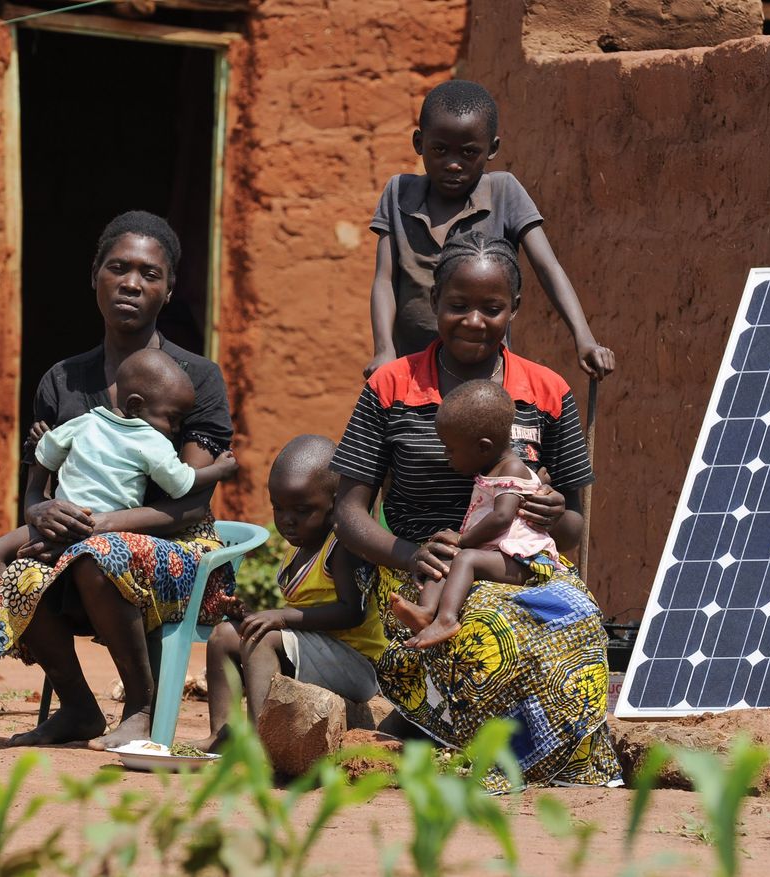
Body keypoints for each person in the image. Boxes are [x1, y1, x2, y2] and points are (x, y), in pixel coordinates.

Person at [333, 229, 621, 791]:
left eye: (491, 308)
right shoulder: (391, 386)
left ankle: (566, 763)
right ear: (433, 304)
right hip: (419, 569)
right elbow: (349, 511)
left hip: (520, 561)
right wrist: (411, 552)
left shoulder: (549, 391)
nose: (473, 321)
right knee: (490, 624)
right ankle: (472, 756)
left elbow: (573, 528)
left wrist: (553, 511)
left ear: (514, 308)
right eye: (457, 306)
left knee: (579, 620)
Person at [0, 210, 236, 751]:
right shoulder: (62, 381)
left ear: (169, 289)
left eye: (150, 274)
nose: (132, 283)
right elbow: (36, 489)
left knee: (96, 558)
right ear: (95, 276)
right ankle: (79, 710)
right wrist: (38, 511)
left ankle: (141, 705)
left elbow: (190, 504)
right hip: (81, 546)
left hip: (176, 557)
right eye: (119, 268)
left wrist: (104, 527)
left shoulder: (194, 380)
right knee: (21, 574)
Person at [363, 79, 616, 381]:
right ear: (419, 143)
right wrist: (384, 350)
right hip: (412, 373)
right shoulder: (398, 193)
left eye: (468, 153)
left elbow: (548, 267)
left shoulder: (504, 192)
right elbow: (384, 279)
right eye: (440, 150)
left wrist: (583, 336)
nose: (453, 164)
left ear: (492, 149)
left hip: (485, 373)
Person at [0, 348, 239, 595]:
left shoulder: (84, 422)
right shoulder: (152, 441)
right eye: (172, 419)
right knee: (66, 561)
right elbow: (182, 482)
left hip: (76, 529)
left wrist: (42, 443)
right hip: (86, 534)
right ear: (136, 406)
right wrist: (218, 470)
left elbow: (44, 454)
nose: (175, 429)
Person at [197, 435, 386, 752]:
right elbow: (302, 616)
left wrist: (280, 617)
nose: (287, 519)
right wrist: (250, 616)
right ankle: (224, 734)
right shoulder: (298, 550)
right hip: (319, 652)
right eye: (278, 507)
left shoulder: (341, 548)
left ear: (335, 502)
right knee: (223, 636)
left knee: (261, 637)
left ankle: (262, 743)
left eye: (302, 509)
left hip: (355, 664)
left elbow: (351, 612)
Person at [390, 379, 561, 649]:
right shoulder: (493, 467)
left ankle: (446, 619)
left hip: (522, 561)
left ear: (483, 447)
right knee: (444, 555)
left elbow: (502, 517)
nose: (446, 456)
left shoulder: (512, 469)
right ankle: (425, 612)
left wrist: (462, 540)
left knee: (465, 557)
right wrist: (455, 544)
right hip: (497, 553)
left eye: (451, 449)